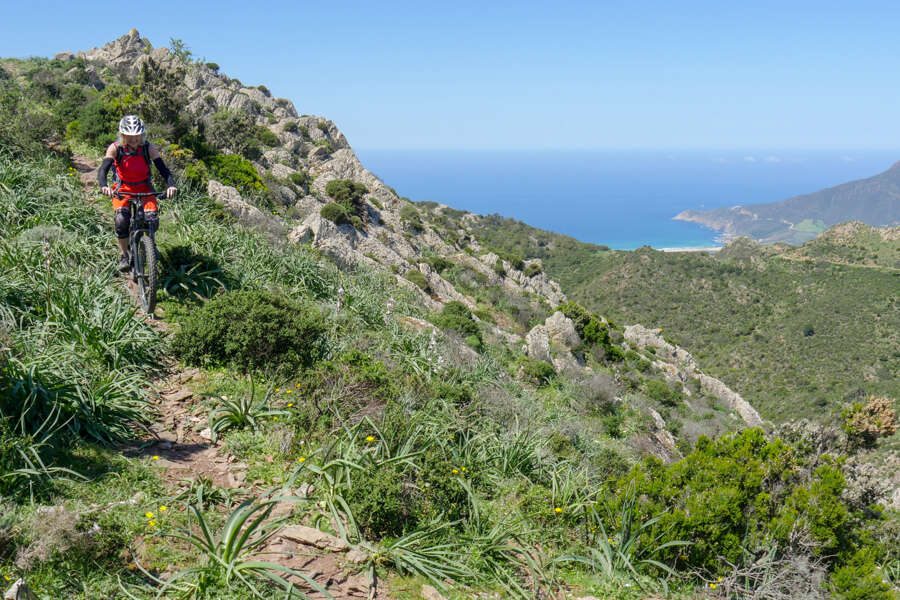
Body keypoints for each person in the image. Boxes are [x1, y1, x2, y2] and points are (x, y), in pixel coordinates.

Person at [97, 115, 177, 271]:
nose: (134, 139)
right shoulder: (115, 148)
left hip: (144, 188)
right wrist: (104, 185)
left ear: (142, 134)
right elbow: (103, 169)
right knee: (121, 221)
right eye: (129, 136)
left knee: (151, 220)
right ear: (122, 135)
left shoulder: (148, 148)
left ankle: (150, 246)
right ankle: (124, 255)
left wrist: (171, 185)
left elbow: (163, 169)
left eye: (137, 136)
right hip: (123, 189)